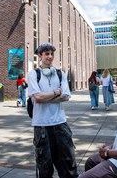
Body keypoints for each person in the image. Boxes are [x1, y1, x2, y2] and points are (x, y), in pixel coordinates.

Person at [28, 43, 78, 178]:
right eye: (46, 54)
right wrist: (56, 92)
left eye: (51, 54)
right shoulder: (33, 74)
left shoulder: (60, 74)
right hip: (41, 125)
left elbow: (66, 96)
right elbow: (37, 97)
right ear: (40, 56)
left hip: (60, 123)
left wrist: (45, 96)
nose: (50, 57)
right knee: (45, 167)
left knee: (68, 165)